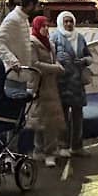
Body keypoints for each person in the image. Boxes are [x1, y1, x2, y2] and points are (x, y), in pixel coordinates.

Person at [51, 11, 93, 158]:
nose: (69, 24)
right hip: (62, 83)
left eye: (71, 21)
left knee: (77, 116)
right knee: (62, 116)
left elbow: (89, 56)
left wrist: (84, 61)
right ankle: (62, 146)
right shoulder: (55, 37)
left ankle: (77, 146)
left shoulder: (80, 38)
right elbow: (50, 58)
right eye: (66, 21)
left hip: (77, 84)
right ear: (60, 22)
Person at [27, 13, 66, 165]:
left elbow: (53, 59)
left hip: (51, 86)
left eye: (47, 25)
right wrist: (55, 68)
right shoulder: (32, 43)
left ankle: (50, 151)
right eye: (42, 26)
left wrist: (56, 66)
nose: (45, 28)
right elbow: (34, 64)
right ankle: (40, 151)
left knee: (51, 122)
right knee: (40, 122)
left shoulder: (50, 43)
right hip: (40, 85)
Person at [0, 0, 42, 98]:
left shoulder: (23, 19)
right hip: (13, 75)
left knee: (20, 110)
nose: (38, 8)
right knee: (13, 110)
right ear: (30, 4)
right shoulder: (13, 19)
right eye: (37, 4)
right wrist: (13, 61)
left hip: (22, 76)